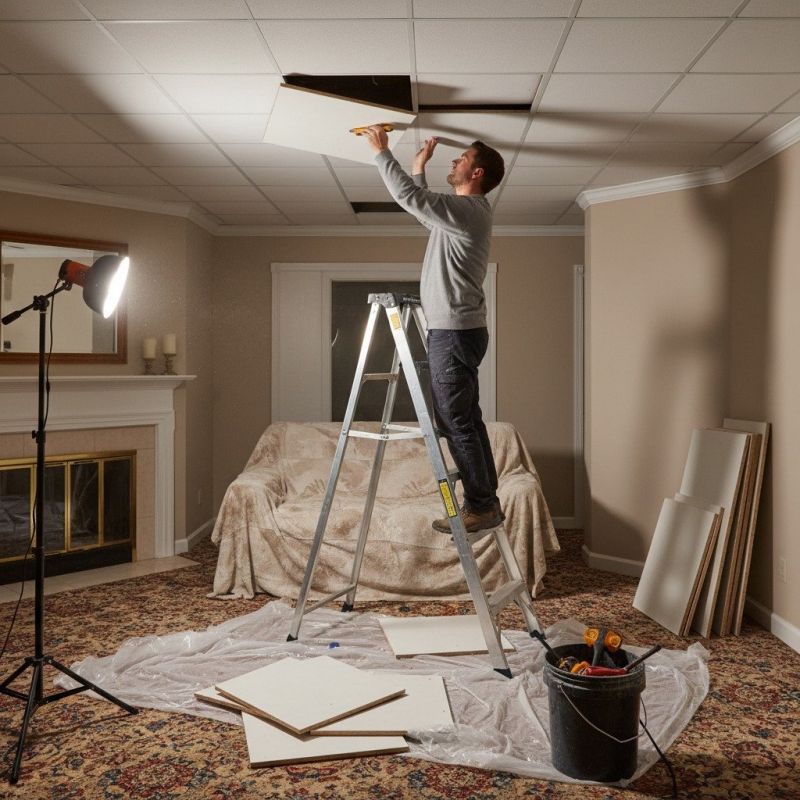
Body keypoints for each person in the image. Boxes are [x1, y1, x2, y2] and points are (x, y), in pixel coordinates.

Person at [361, 125, 505, 533]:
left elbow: (410, 199)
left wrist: (381, 153)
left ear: (477, 174)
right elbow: (427, 214)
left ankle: (481, 505)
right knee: (465, 419)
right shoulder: (464, 216)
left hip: (454, 331)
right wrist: (418, 170)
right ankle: (486, 500)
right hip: (459, 329)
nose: (455, 161)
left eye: (463, 159)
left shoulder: (471, 211)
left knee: (454, 421)